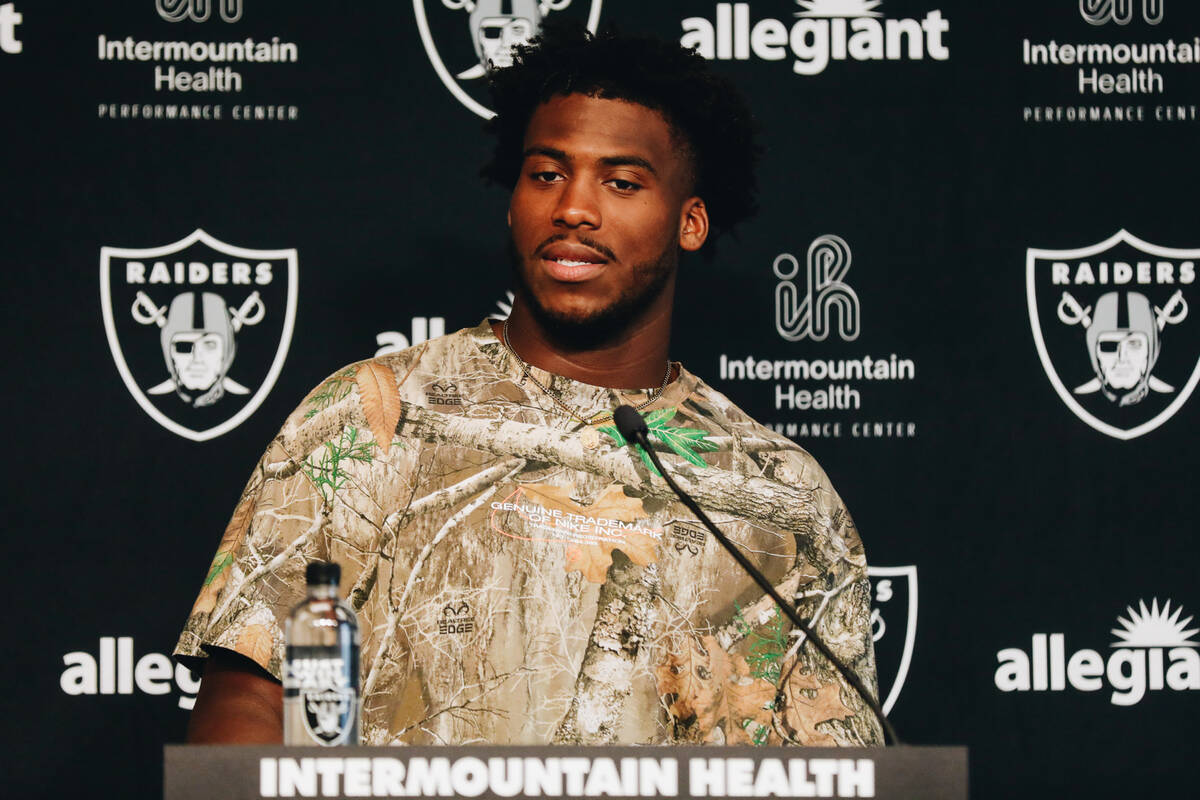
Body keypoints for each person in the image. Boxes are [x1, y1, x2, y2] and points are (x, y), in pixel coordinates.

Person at [176, 24, 882, 747]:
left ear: (690, 221)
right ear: (513, 200)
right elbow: (249, 706)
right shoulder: (376, 412)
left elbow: (839, 764)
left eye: (622, 182)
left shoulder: (781, 493)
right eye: (547, 173)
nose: (573, 207)